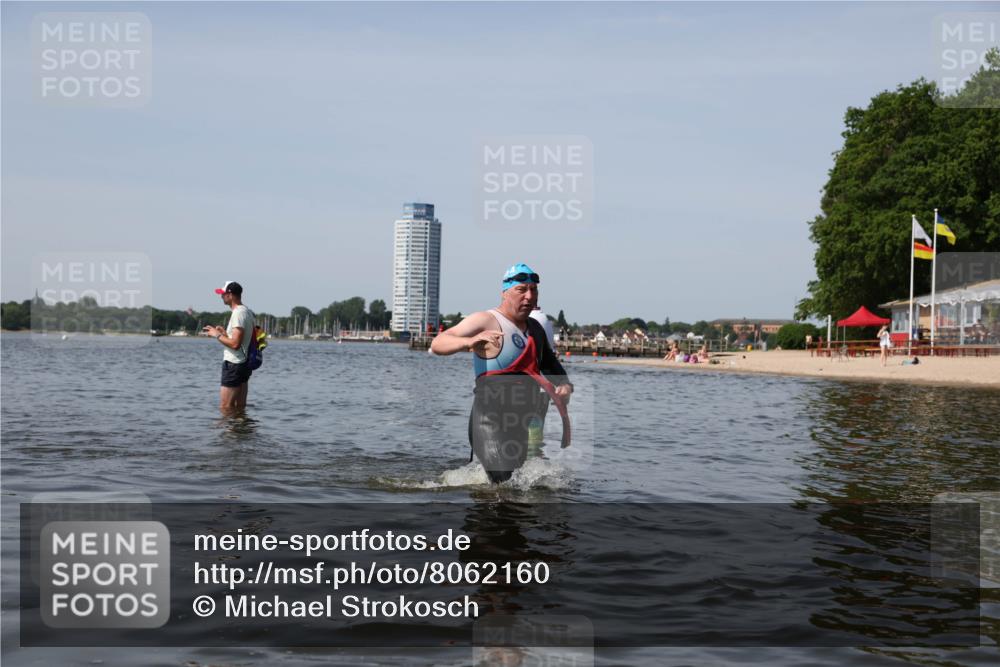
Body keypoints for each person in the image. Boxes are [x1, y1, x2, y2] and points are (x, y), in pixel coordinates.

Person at [430, 263, 573, 483]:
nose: (529, 296)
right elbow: (439, 343)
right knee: (504, 485)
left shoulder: (535, 329)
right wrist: (469, 342)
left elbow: (553, 367)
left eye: (533, 290)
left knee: (515, 487)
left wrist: (565, 386)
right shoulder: (486, 320)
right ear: (505, 293)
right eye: (522, 289)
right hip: (489, 420)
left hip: (519, 423)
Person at [203, 281, 255, 413]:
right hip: (243, 364)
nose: (221, 296)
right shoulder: (247, 311)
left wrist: (217, 335)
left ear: (230, 295)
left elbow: (236, 344)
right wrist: (225, 334)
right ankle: (240, 432)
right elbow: (240, 341)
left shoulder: (238, 313)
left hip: (234, 364)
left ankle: (228, 434)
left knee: (226, 407)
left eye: (223, 294)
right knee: (239, 407)